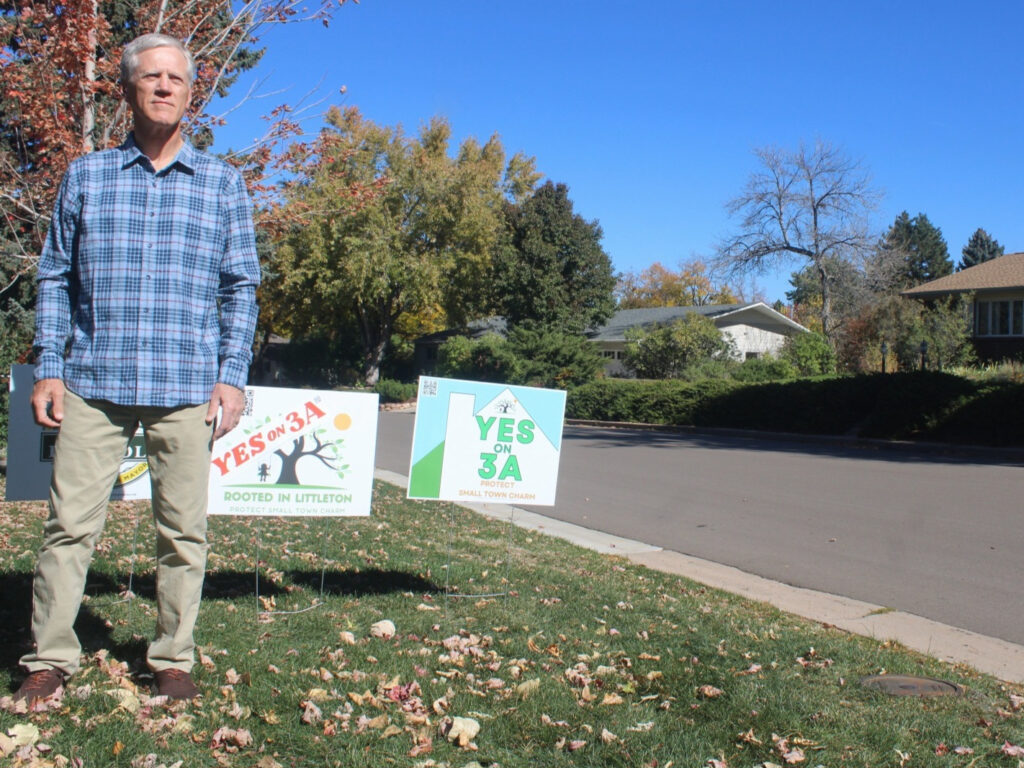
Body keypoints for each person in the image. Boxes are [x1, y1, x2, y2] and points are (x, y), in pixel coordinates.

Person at [15, 33, 260, 703]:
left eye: (174, 79)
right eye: (149, 77)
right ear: (127, 90)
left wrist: (231, 375)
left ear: (189, 94)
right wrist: (50, 366)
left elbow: (241, 287)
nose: (162, 87)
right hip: (94, 383)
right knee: (68, 529)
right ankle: (50, 658)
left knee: (183, 532)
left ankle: (172, 658)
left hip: (186, 389)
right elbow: (56, 276)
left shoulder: (222, 184)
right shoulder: (87, 176)